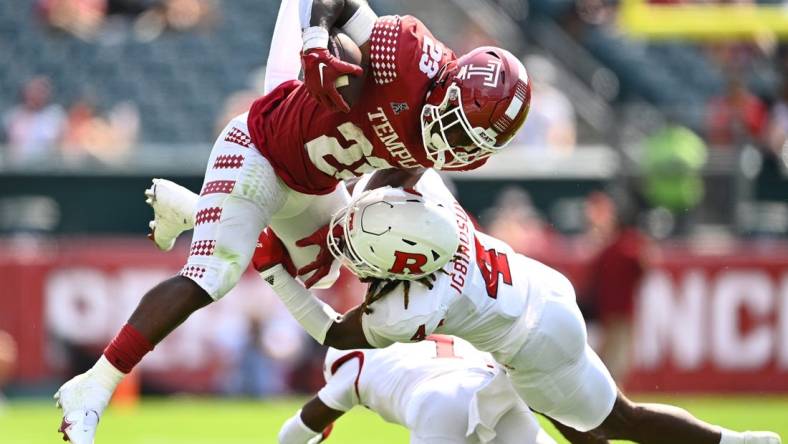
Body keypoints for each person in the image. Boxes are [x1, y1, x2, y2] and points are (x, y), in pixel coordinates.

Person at [54, 0, 532, 441]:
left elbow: (399, 167)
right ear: (450, 85)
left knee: (326, 267)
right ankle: (94, 385)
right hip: (260, 148)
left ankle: (196, 211)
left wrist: (368, 216)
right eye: (455, 124)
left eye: (469, 141)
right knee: (214, 274)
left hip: (313, 187)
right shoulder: (405, 53)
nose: (453, 143)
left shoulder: (460, 147)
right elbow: (337, 3)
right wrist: (317, 41)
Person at [251, 169, 781, 444]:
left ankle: (729, 443)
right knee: (596, 416)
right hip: (545, 293)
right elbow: (405, 165)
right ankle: (737, 442)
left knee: (617, 420)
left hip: (529, 347)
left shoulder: (413, 307)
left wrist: (276, 273)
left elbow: (337, 334)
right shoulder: (435, 210)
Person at [280, 336, 556, 444]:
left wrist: (320, 430)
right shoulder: (447, 326)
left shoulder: (353, 361)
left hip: (437, 402)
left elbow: (290, 437)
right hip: (493, 387)